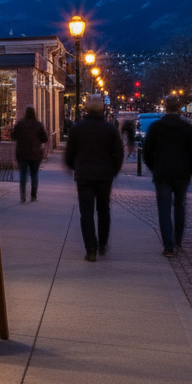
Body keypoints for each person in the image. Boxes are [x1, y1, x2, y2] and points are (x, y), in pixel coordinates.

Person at [64, 95, 124, 261]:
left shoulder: (78, 128)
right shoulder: (110, 129)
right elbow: (118, 153)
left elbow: (70, 152)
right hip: (105, 175)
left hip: (84, 175)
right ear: (102, 109)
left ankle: (91, 248)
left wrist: (74, 166)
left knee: (86, 212)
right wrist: (113, 170)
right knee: (103, 210)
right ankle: (103, 244)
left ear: (86, 109)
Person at [142, 96, 192, 256]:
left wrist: (154, 167)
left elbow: (147, 152)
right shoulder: (186, 128)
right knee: (180, 207)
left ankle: (168, 245)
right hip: (182, 174)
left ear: (166, 107)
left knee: (164, 209)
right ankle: (178, 240)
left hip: (162, 173)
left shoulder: (156, 127)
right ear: (178, 108)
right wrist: (190, 170)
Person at [12, 106, 48, 202]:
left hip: (22, 153)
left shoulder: (20, 124)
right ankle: (33, 196)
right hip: (35, 153)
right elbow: (45, 139)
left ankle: (23, 196)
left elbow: (14, 136)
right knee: (34, 174)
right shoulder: (38, 125)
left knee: (23, 175)